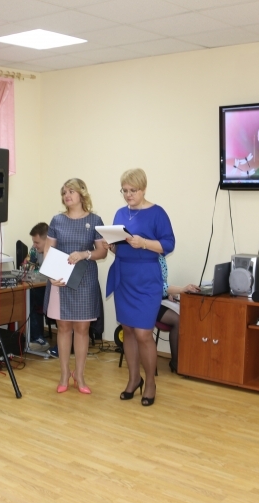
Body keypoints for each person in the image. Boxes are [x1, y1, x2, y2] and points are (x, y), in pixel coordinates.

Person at [104, 168, 175, 406]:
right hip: (124, 276)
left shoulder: (157, 213)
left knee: (144, 333)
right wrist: (112, 246)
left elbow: (168, 245)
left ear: (143, 189)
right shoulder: (120, 213)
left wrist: (143, 242)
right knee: (128, 330)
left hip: (146, 278)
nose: (128, 195)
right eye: (124, 190)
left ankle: (151, 383)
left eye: (132, 190)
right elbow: (118, 245)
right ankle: (134, 379)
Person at [43, 178, 107, 394]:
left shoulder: (95, 220)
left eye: (71, 191)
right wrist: (50, 275)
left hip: (85, 280)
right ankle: (64, 374)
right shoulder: (57, 220)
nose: (67, 196)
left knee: (82, 329)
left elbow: (102, 252)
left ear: (82, 194)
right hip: (60, 281)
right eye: (64, 192)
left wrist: (84, 254)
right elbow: (48, 250)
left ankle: (79, 375)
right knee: (63, 328)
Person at [158, 283, 200, 373]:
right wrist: (182, 289)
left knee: (187, 314)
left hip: (159, 299)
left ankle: (184, 359)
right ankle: (175, 362)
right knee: (177, 321)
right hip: (147, 302)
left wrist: (168, 294)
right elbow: (158, 286)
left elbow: (163, 284)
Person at [27, 222, 50, 350]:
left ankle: (38, 338)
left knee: (30, 297)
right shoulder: (35, 249)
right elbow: (27, 266)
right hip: (42, 287)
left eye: (37, 242)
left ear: (47, 240)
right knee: (26, 296)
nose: (34, 245)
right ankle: (33, 337)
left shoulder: (56, 251)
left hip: (54, 291)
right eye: (33, 242)